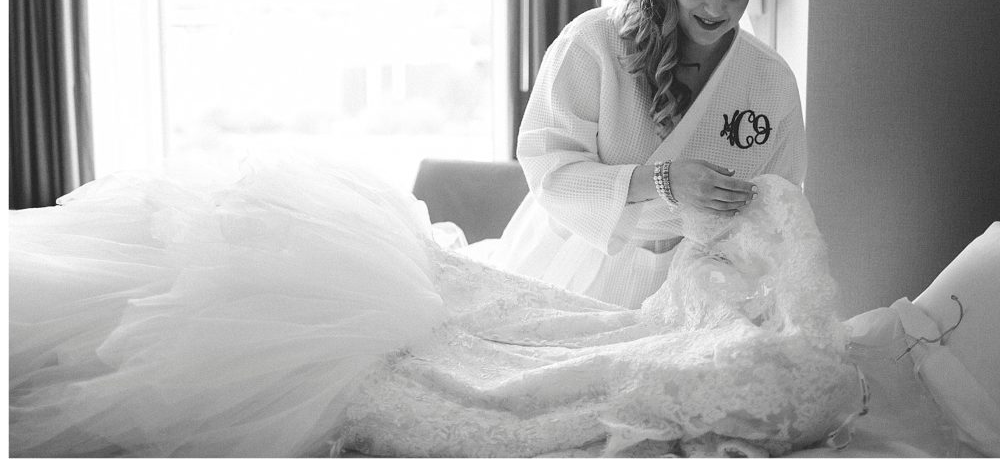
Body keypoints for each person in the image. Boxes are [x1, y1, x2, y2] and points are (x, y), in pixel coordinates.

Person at [9, 158, 865, 458]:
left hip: (607, 296)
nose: (719, 7)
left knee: (472, 321)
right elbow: (554, 165)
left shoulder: (786, 369)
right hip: (580, 255)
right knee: (448, 309)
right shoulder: (593, 46)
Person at [483, 0, 805, 309]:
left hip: (701, 285)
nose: (716, 8)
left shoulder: (769, 79)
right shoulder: (592, 42)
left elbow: (778, 202)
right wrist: (663, 181)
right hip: (581, 265)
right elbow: (548, 168)